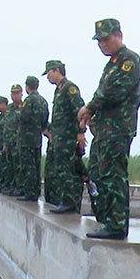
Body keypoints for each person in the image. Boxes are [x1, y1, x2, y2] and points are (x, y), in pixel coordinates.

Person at [77, 19, 140, 238]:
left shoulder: (128, 60)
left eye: (107, 39)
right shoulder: (112, 63)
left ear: (119, 35)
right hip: (106, 129)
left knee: (113, 174)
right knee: (100, 173)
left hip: (118, 128)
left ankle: (117, 225)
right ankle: (108, 219)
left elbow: (113, 91)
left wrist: (89, 107)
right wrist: (93, 117)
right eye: (100, 41)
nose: (103, 44)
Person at [43, 60, 87, 214]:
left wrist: (81, 132)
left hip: (68, 137)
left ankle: (69, 202)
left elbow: (80, 110)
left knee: (67, 169)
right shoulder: (59, 89)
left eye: (49, 72)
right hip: (60, 137)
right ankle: (65, 200)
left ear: (56, 70)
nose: (48, 76)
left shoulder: (69, 88)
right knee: (61, 169)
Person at [16, 76, 49, 201]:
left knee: (27, 165)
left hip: (26, 138)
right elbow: (45, 119)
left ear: (27, 87)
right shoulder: (43, 101)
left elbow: (23, 117)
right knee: (36, 164)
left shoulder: (28, 101)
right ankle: (36, 191)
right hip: (37, 138)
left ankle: (29, 193)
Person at [1, 85, 22, 196]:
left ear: (21, 94)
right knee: (10, 166)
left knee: (18, 166)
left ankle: (19, 187)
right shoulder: (9, 109)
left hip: (18, 142)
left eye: (17, 93)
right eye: (13, 93)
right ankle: (11, 186)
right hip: (8, 143)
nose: (15, 95)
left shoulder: (23, 107)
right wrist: (5, 143)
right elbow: (6, 126)